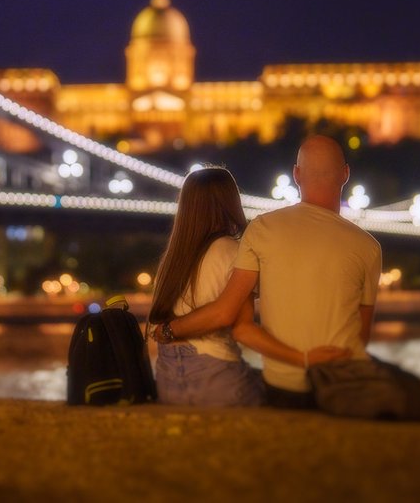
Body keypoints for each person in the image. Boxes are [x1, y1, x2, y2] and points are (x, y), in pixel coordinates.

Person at [154, 136, 381, 409]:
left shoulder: (173, 260)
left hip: (169, 378)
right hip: (220, 377)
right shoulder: (370, 247)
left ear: (296, 175)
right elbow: (360, 337)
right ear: (346, 174)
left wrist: (165, 331)